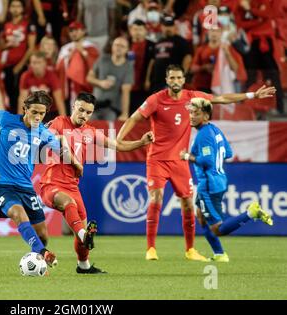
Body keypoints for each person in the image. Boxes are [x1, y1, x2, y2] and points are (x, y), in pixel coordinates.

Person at [117, 64, 276, 261]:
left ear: (184, 80)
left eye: (178, 78)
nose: (175, 81)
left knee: (188, 205)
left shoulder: (192, 97)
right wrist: (118, 140)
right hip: (157, 159)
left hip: (180, 162)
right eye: (172, 78)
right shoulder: (156, 99)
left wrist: (252, 96)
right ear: (167, 80)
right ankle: (151, 248)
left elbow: (222, 99)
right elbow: (133, 118)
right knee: (156, 198)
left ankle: (190, 250)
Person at [40, 92, 154, 274]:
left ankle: (83, 265)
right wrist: (72, 159)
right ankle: (85, 235)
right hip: (51, 183)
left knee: (81, 227)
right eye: (81, 110)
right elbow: (51, 141)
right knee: (71, 210)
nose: (84, 115)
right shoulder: (59, 123)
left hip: (72, 186)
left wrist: (141, 142)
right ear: (73, 107)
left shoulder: (90, 132)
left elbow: (117, 145)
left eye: (88, 112)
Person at [0, 90, 78, 268]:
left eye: (42, 113)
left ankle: (37, 258)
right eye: (34, 112)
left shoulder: (44, 133)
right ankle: (43, 253)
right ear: (25, 109)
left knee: (42, 236)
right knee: (18, 213)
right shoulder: (6, 119)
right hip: (2, 185)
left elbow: (61, 149)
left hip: (26, 187)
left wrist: (75, 164)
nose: (38, 117)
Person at [180, 97, 273, 262]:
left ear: (206, 116)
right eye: (191, 113)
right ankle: (219, 254)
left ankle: (250, 213)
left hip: (208, 184)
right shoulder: (215, 130)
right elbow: (228, 153)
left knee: (217, 228)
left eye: (197, 113)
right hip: (219, 179)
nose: (192, 116)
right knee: (201, 216)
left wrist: (187, 156)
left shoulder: (203, 135)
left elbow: (207, 161)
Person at [86, 36, 134, 121]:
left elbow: (126, 91)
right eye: (116, 45)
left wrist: (125, 114)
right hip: (94, 105)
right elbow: (89, 77)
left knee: (109, 130)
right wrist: (100, 82)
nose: (118, 48)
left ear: (127, 50)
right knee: (89, 130)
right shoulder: (102, 59)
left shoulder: (128, 66)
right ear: (112, 46)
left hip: (111, 108)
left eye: (122, 46)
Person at [56, 21, 99, 108]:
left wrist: (83, 52)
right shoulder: (65, 48)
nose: (74, 33)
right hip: (71, 86)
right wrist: (68, 57)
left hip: (88, 85)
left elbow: (96, 65)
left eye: (76, 30)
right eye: (71, 31)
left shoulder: (91, 47)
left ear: (83, 31)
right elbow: (58, 68)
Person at [145, 15, 192, 93]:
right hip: (157, 81)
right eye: (166, 26)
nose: (168, 28)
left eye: (170, 26)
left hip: (173, 81)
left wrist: (181, 77)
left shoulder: (181, 41)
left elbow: (188, 58)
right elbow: (152, 61)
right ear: (162, 27)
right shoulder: (157, 42)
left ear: (174, 27)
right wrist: (147, 79)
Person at [18, 51, 65, 121]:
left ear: (45, 64)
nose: (36, 66)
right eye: (34, 63)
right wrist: (19, 119)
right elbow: (22, 99)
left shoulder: (52, 76)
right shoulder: (25, 76)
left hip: (49, 111)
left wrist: (63, 121)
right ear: (30, 64)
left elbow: (59, 100)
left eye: (39, 62)